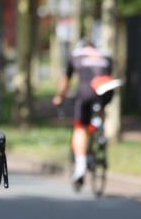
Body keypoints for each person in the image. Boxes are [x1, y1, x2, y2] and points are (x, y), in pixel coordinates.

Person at [51, 39, 121, 190]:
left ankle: (80, 166)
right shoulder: (105, 55)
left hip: (86, 91)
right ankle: (98, 129)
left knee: (80, 128)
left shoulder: (77, 55)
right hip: (106, 89)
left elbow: (66, 81)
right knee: (101, 106)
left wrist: (59, 97)